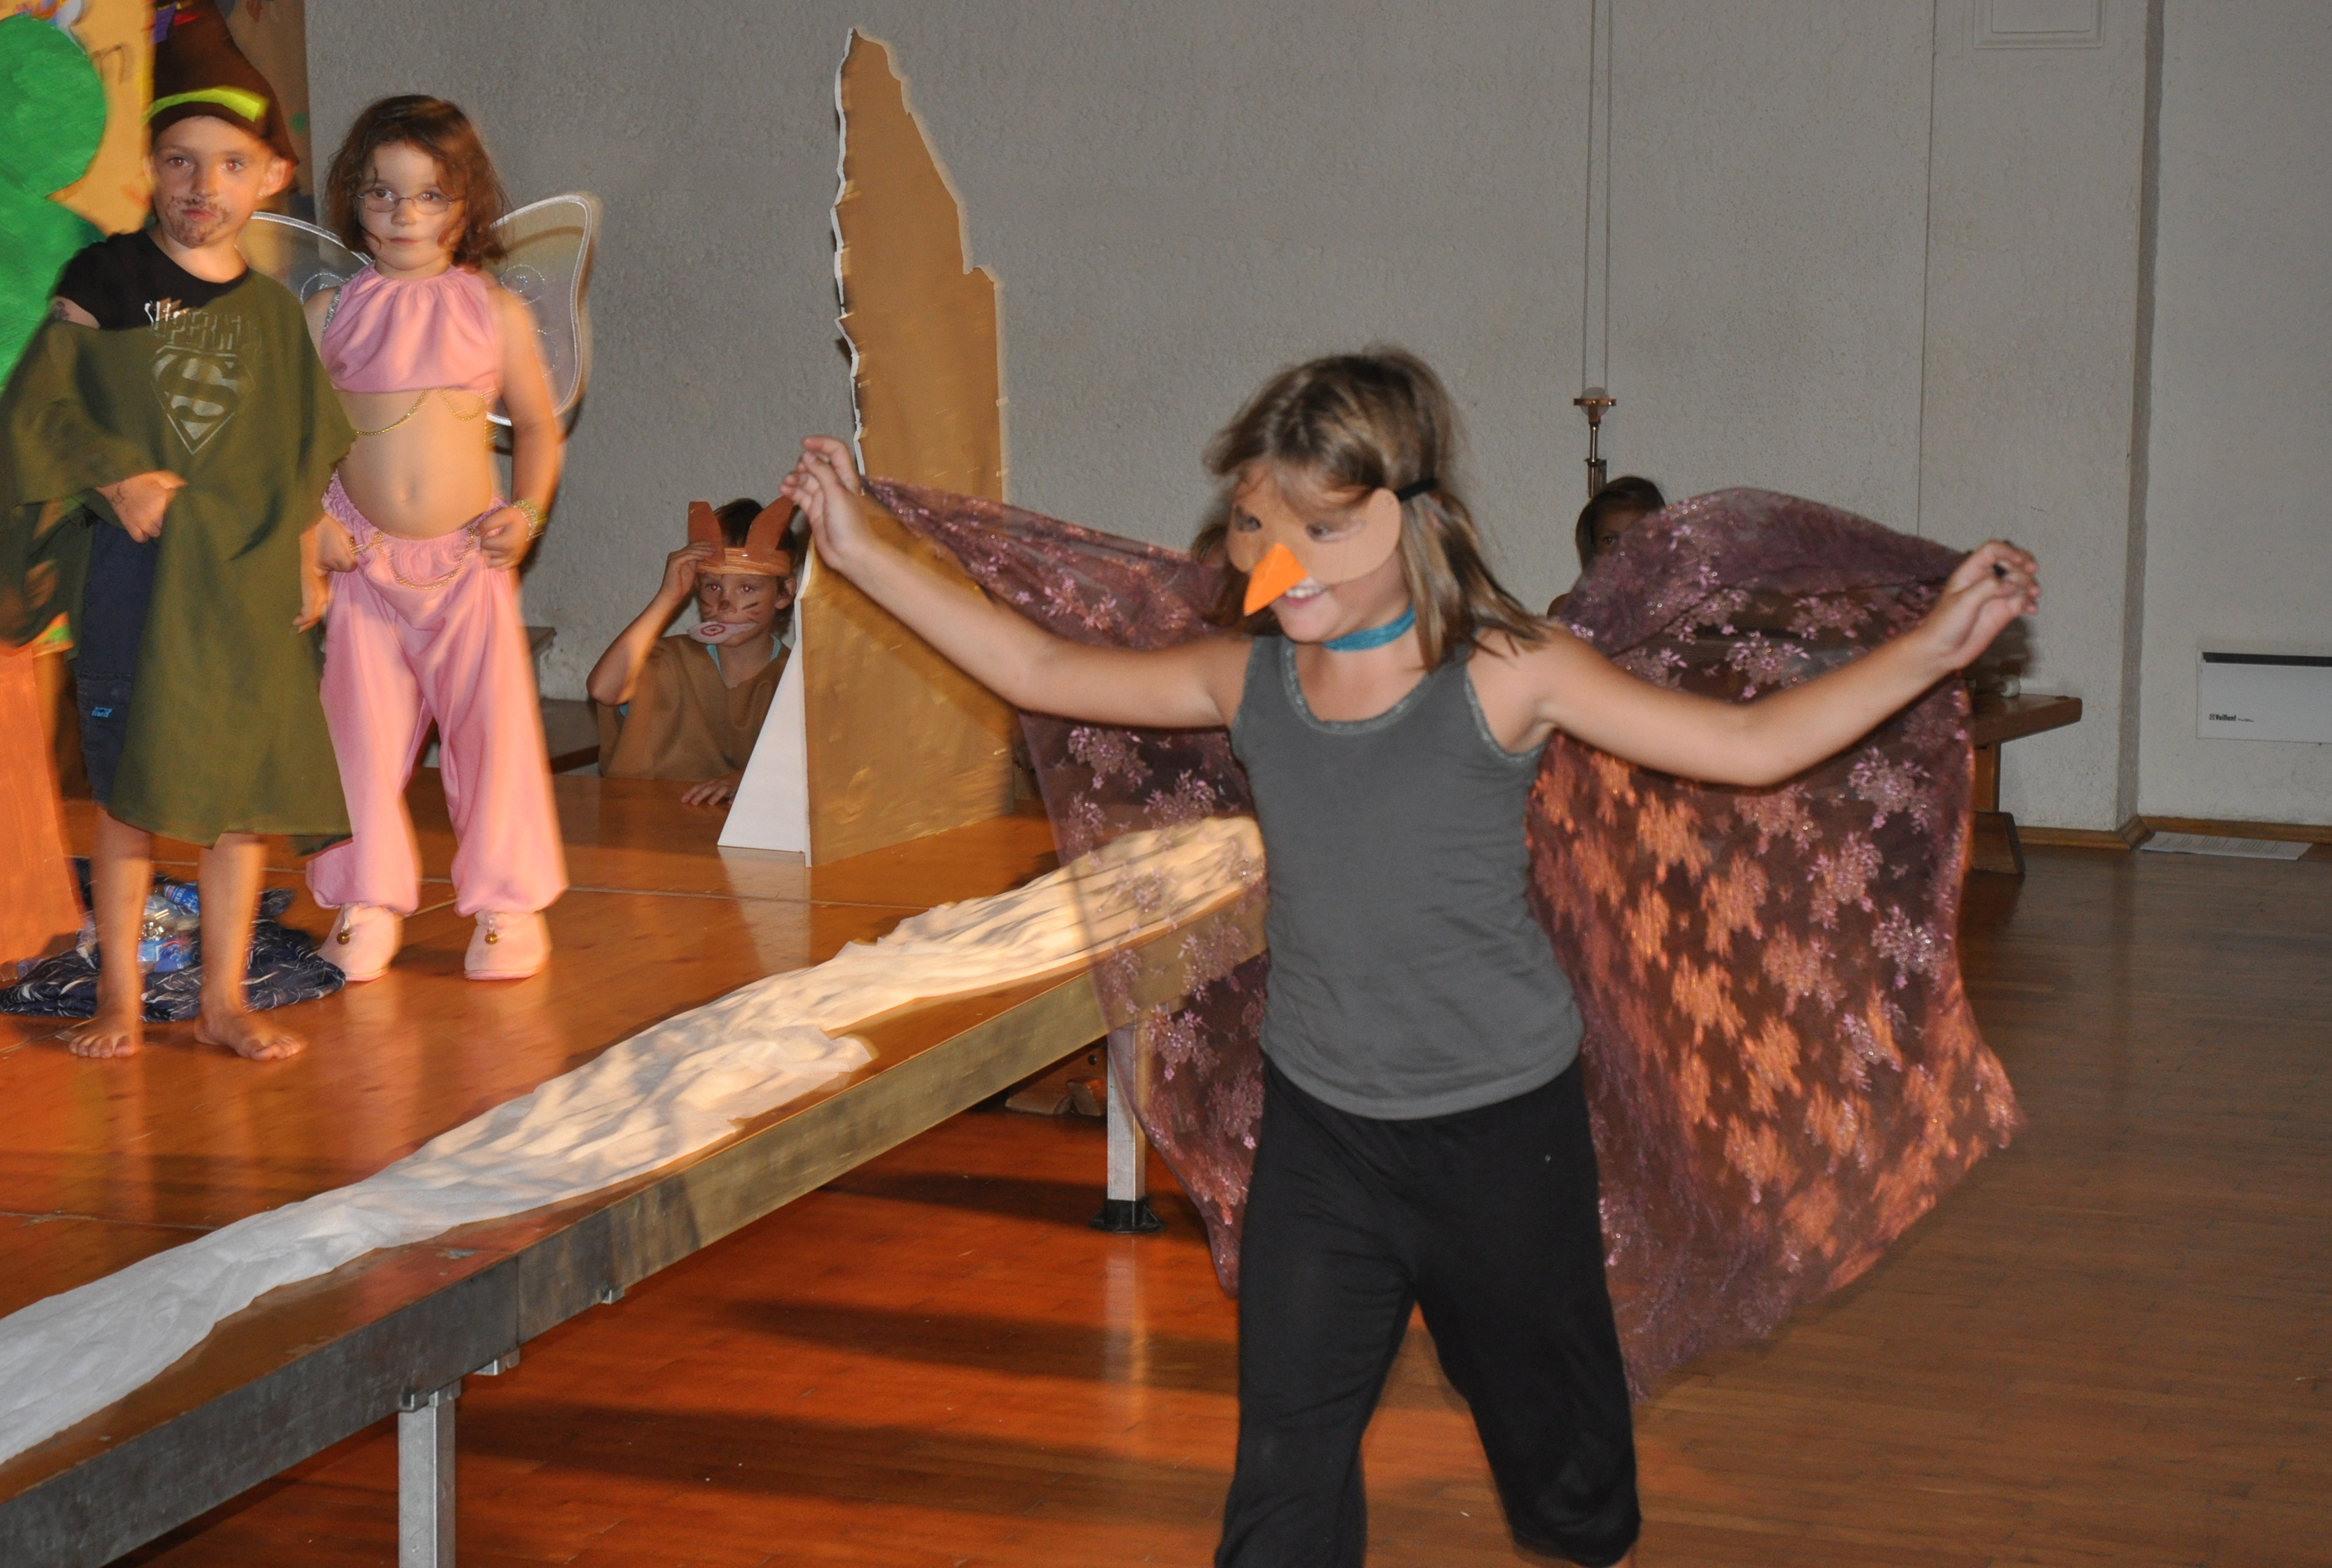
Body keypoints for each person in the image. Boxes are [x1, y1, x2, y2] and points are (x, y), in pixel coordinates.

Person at [783, 349, 2039, 1568]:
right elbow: (1040, 664)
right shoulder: (1247, 679)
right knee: (1284, 1477)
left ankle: (1583, 1506)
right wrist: (860, 549)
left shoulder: (1504, 675)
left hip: (1500, 1140)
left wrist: (1931, 648)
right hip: (1323, 1140)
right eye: (1255, 526)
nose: (1281, 562)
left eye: (1323, 530)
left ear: (1406, 515)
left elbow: (1751, 748)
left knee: (1567, 1484)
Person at [0, 4, 353, 1061]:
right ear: (149, 169)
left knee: (238, 803)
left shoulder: (272, 314)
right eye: (180, 161)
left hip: (240, 594)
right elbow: (44, 404)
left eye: (230, 165)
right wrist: (114, 471)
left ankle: (223, 999)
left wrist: (307, 546)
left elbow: (298, 449)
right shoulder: (105, 282)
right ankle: (120, 998)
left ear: (271, 176)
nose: (202, 185)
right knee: (130, 795)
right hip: (135, 586)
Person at [302, 96, 564, 984]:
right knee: (358, 736)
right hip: (364, 565)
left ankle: (506, 902)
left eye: (428, 195)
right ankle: (366, 899)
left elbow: (539, 426)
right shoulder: (329, 312)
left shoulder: (494, 310)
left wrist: (525, 512)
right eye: (381, 192)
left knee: (492, 734)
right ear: (353, 198)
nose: (403, 213)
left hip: (467, 563)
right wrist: (313, 521)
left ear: (465, 204)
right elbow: (292, 437)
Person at [586, 497, 800, 806]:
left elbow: (814, 770)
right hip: (648, 824)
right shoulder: (666, 661)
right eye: (713, 587)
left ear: (785, 593)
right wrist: (668, 597)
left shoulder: (797, 680)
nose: (725, 604)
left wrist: (751, 779)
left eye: (747, 588)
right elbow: (603, 689)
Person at [1549, 474, 1666, 619]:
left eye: (1637, 537)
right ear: (1593, 548)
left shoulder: (1678, 612)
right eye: (1610, 540)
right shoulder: (1569, 610)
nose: (1623, 549)